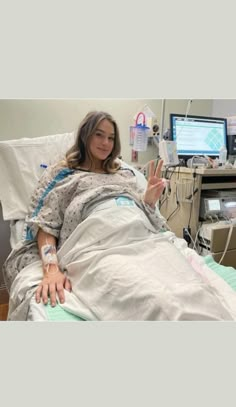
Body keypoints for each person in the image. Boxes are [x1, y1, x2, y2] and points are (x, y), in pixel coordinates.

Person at [27, 111, 167, 308]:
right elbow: (46, 226)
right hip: (97, 247)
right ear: (86, 135)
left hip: (141, 240)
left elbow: (148, 219)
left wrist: (148, 202)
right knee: (149, 295)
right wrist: (51, 268)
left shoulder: (123, 173)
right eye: (99, 134)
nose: (105, 143)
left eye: (111, 138)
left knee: (180, 283)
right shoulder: (62, 174)